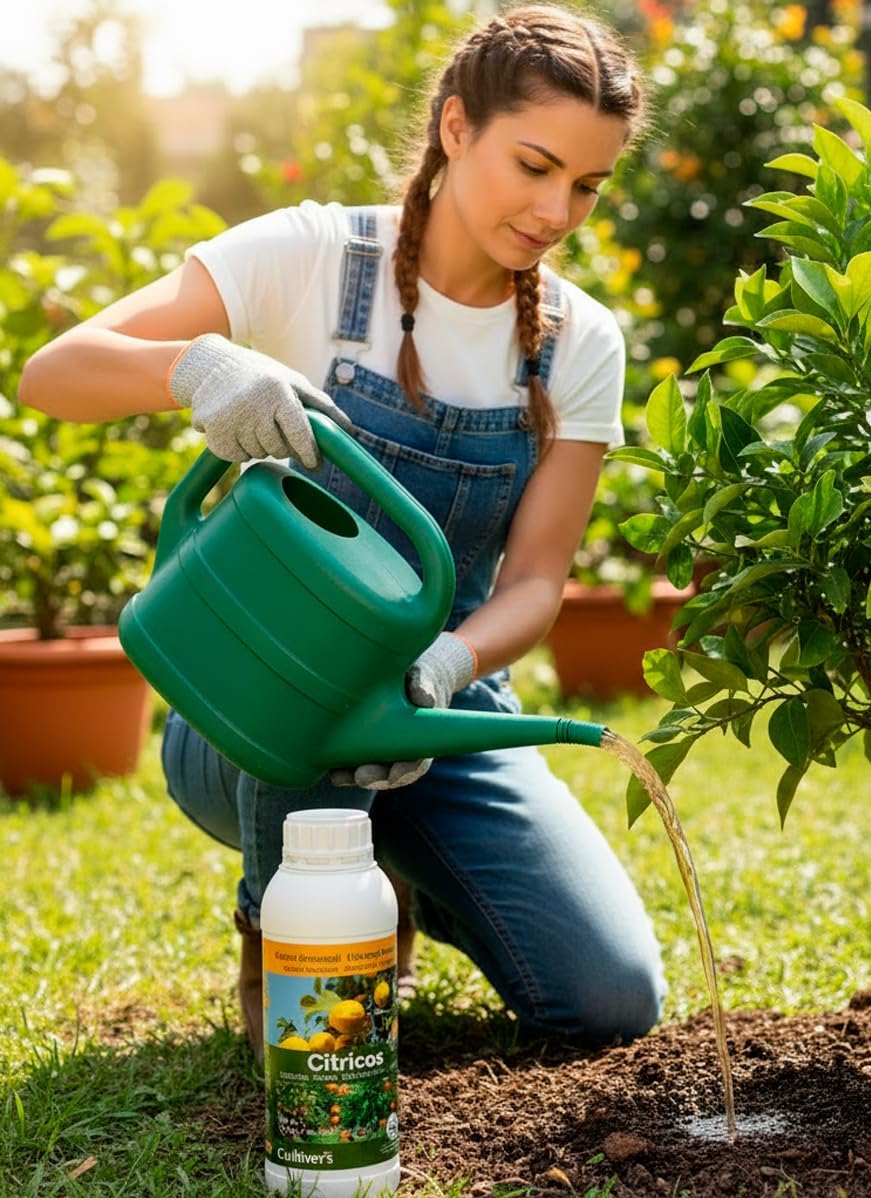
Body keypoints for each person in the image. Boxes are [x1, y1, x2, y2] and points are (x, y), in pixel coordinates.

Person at [20, 1, 666, 1060]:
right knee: (320, 670)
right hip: (249, 706)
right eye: (534, 166)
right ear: (455, 128)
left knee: (609, 997)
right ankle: (285, 944)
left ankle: (395, 871)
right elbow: (55, 374)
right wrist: (195, 367)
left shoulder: (579, 343)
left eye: (587, 185)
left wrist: (445, 669)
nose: (558, 211)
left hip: (434, 710)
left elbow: (535, 585)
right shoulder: (314, 255)